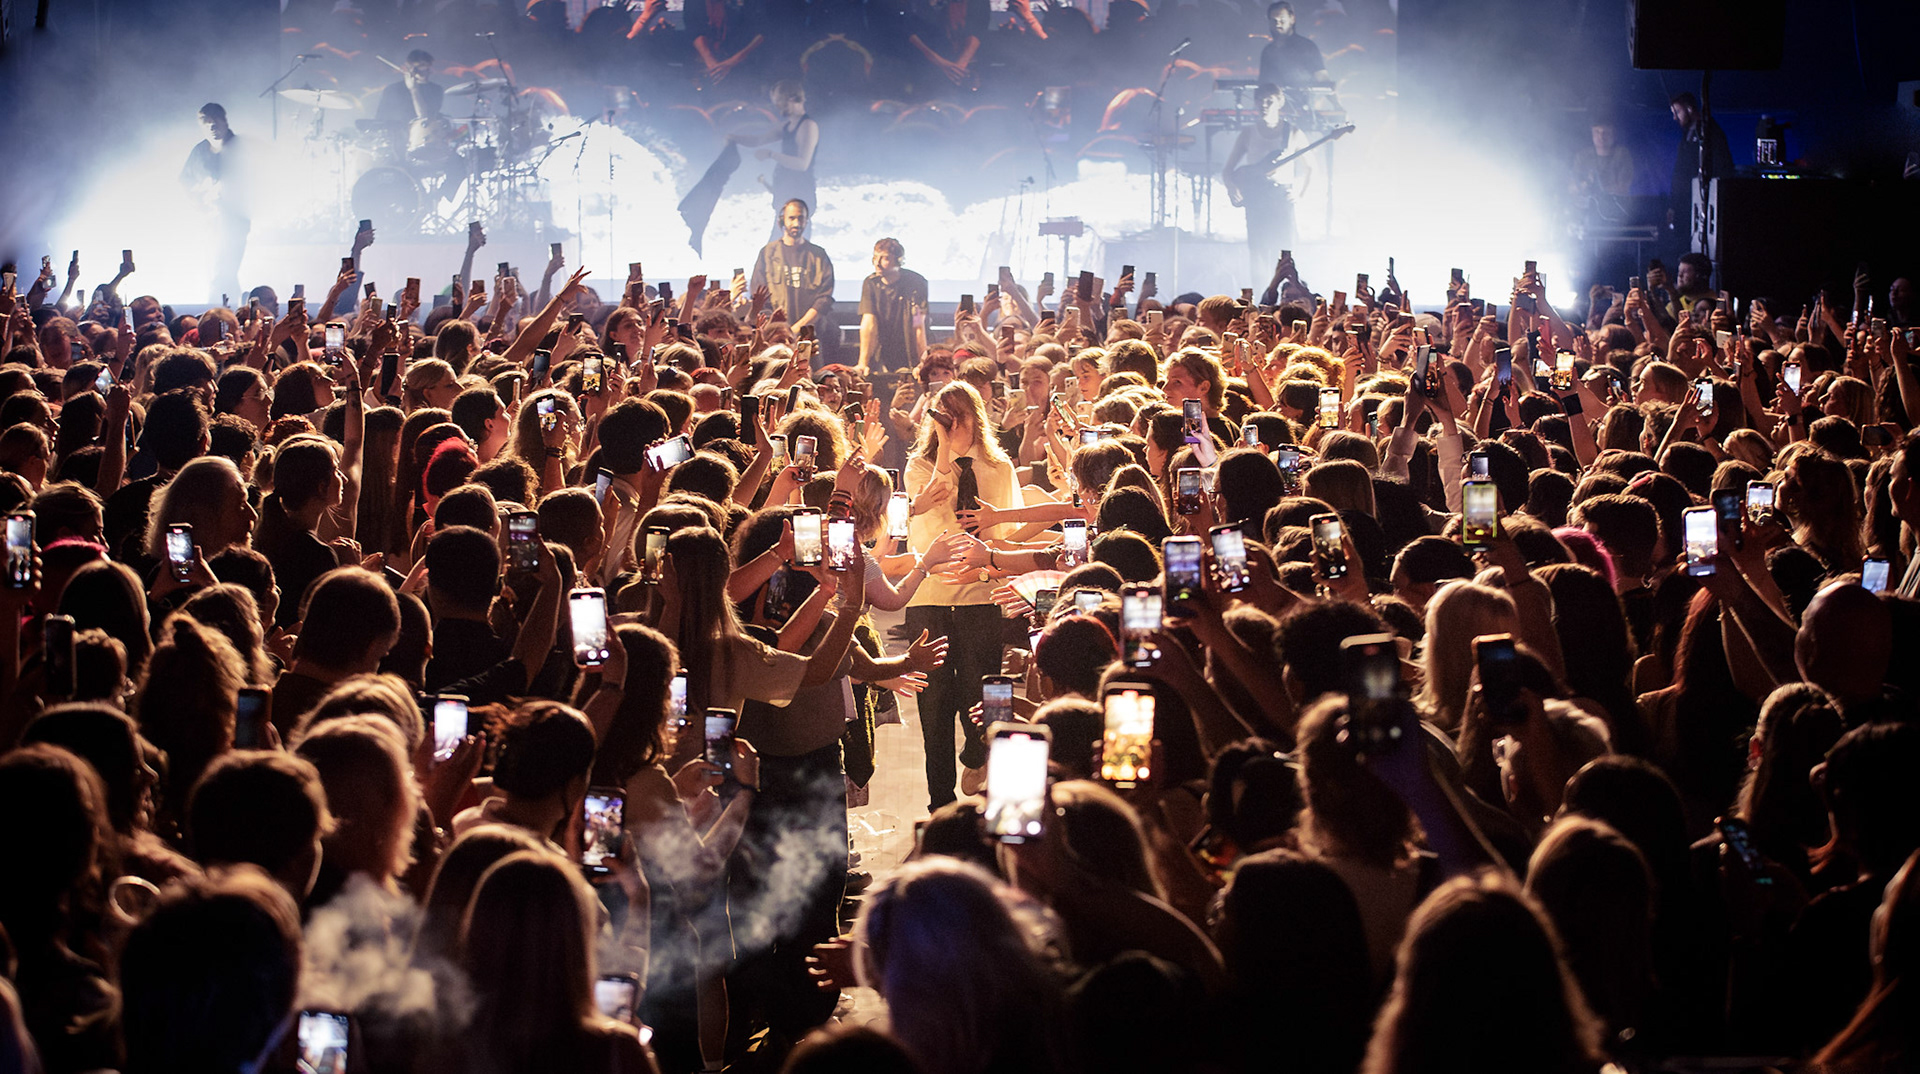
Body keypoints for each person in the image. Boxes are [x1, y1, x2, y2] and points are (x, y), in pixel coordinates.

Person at [1223, 84, 1299, 290]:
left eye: (1269, 101)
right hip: (1256, 198)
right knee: (1257, 251)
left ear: (1279, 102)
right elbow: (1228, 170)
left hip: (1280, 197)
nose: (1264, 106)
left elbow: (1312, 168)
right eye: (1260, 101)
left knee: (1283, 251)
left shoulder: (1291, 132)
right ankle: (1260, 299)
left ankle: (1285, 299)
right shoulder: (1248, 133)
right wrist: (1232, 187)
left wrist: (1299, 191)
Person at [178, 102, 251, 303]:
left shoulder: (240, 148)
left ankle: (224, 309)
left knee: (225, 267)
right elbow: (185, 181)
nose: (212, 127)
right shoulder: (200, 150)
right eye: (206, 123)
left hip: (234, 219)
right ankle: (219, 306)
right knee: (213, 267)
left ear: (224, 121)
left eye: (215, 121)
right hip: (209, 218)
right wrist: (200, 200)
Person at [729, 81, 819, 236]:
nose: (776, 106)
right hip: (785, 194)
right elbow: (758, 141)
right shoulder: (786, 126)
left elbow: (802, 164)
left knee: (793, 248)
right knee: (777, 248)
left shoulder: (807, 126)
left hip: (800, 196)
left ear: (791, 98)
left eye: (779, 101)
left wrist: (771, 155)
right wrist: (733, 138)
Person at [750, 199, 835, 339]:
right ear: (783, 219)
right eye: (792, 218)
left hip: (809, 335)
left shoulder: (819, 256)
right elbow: (759, 297)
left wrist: (797, 328)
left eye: (800, 218)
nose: (796, 223)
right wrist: (779, 330)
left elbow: (824, 300)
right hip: (774, 337)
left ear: (807, 220)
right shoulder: (767, 253)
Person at [1666, 91, 1734, 254]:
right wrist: (1673, 205)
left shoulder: (1710, 133)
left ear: (1689, 109)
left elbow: (1722, 167)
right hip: (1685, 204)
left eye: (1678, 112)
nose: (1675, 118)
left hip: (1702, 206)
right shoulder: (1687, 135)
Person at [858, 238, 929, 373]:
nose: (877, 264)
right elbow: (869, 322)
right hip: (884, 348)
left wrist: (923, 362)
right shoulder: (871, 283)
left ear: (898, 261)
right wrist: (863, 363)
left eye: (885, 259)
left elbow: (918, 323)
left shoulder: (916, 282)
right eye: (875, 258)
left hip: (909, 346)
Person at [1258, 2, 1329, 91]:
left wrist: (1336, 104)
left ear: (1292, 19)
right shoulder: (1268, 51)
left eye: (1282, 21)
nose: (1277, 25)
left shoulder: (1306, 47)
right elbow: (1262, 83)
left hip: (1300, 103)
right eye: (1274, 21)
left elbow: (1322, 79)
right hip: (1275, 104)